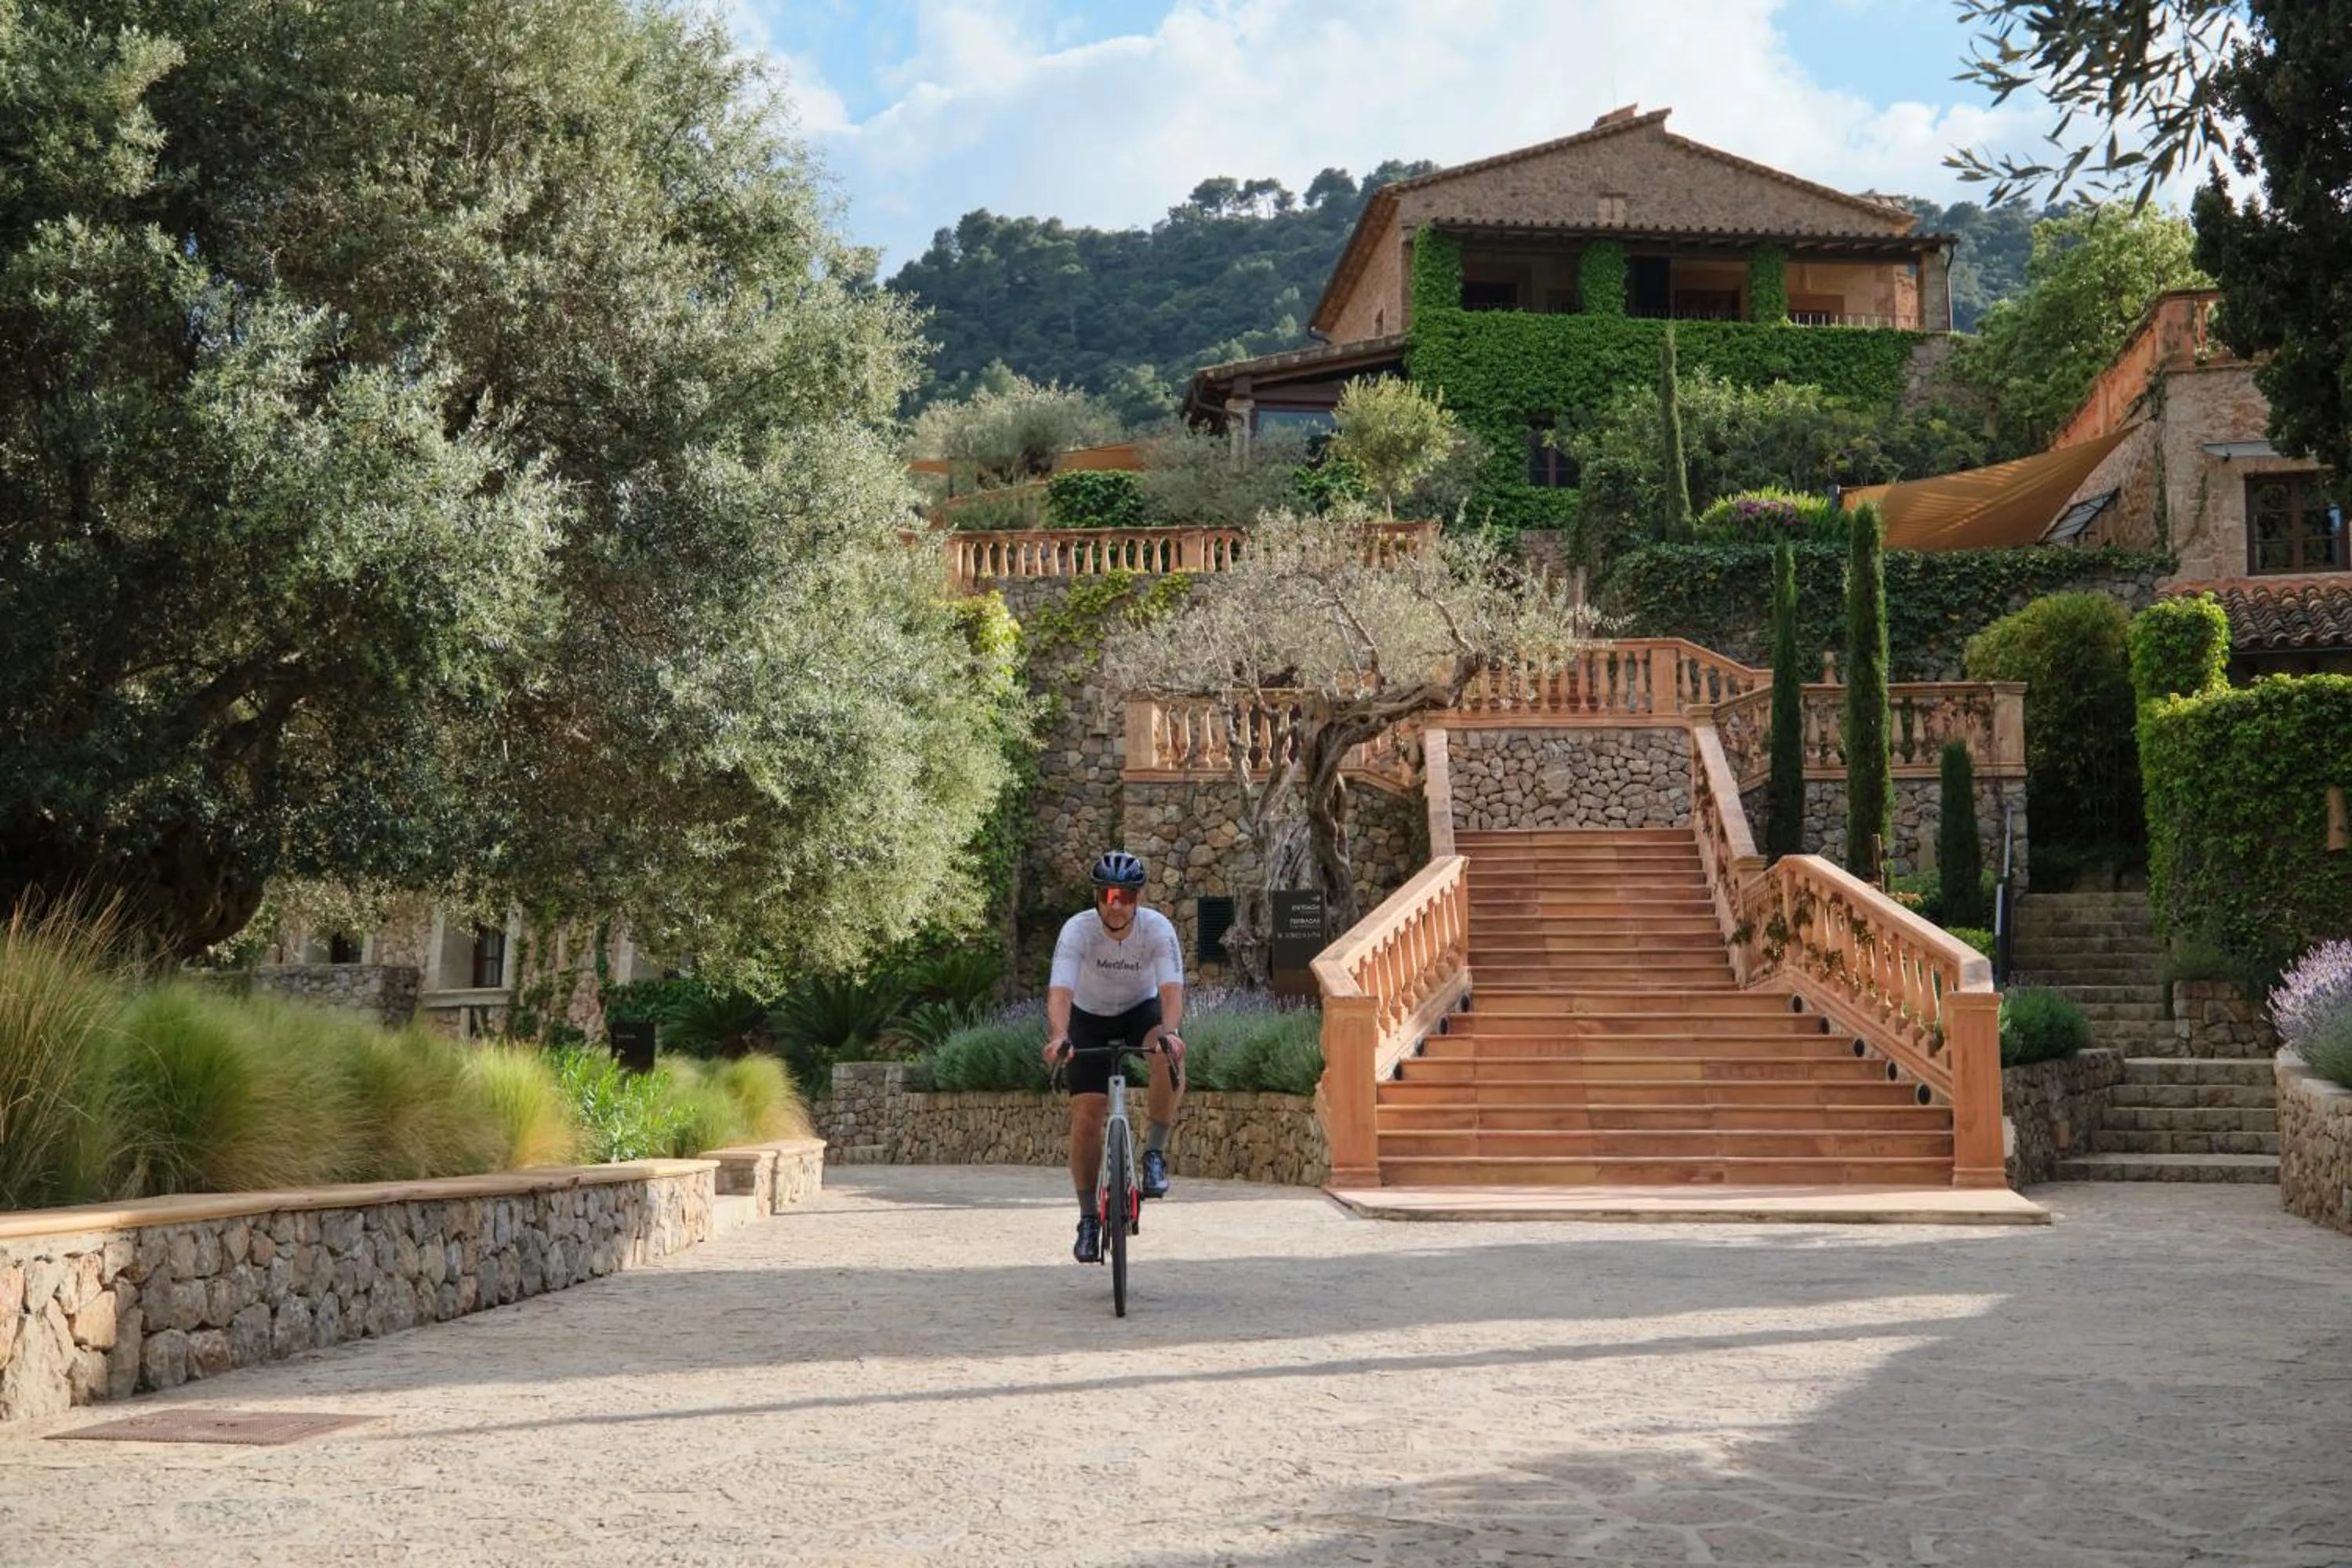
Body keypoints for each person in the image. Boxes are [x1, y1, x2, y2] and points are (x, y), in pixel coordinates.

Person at [1043, 849, 1186, 1263]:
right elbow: (1061, 993)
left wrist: (1172, 1033)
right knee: (1088, 1114)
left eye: (1125, 895)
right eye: (1108, 895)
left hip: (1140, 1011)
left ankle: (1155, 1154)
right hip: (1089, 1015)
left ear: (1138, 898)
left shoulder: (1158, 930)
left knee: (1167, 1050)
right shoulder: (1077, 931)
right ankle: (1088, 1219)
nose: (1116, 904)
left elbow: (1171, 992)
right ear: (1097, 897)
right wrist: (1059, 1037)